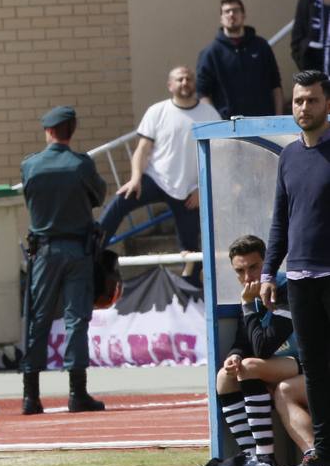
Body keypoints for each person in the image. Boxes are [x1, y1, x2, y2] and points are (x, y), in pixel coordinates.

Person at [261, 70, 330, 466]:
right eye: (299, 100)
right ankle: (323, 450)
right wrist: (269, 272)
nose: (304, 107)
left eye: (312, 100)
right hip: (301, 279)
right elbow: (280, 222)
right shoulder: (288, 156)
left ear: (327, 104)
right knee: (316, 368)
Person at [20, 107, 107, 415]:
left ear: (48, 131)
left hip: (43, 251)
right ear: (71, 130)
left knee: (38, 320)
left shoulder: (30, 165)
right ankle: (76, 392)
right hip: (77, 251)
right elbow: (99, 195)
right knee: (76, 320)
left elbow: (30, 200)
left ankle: (31, 396)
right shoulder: (81, 165)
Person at [98, 66, 221, 259]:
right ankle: (90, 253)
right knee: (119, 203)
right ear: (170, 85)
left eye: (188, 79)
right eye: (179, 79)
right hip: (156, 179)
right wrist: (136, 178)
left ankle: (191, 287)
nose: (185, 83)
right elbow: (142, 149)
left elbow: (218, 155)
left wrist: (201, 188)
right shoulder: (157, 111)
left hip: (189, 190)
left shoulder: (210, 114)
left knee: (190, 250)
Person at [217, 235, 298, 466]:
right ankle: (250, 456)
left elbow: (264, 348)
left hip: (305, 363)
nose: (247, 277)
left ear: (267, 265)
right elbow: (243, 342)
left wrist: (246, 305)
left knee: (251, 366)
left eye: (254, 267)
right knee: (224, 376)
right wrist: (234, 356)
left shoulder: (285, 288)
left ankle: (266, 458)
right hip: (274, 365)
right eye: (240, 271)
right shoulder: (251, 297)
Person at [196, 0, 283, 119]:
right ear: (221, 18)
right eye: (227, 11)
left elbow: (276, 85)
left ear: (243, 15)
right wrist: (216, 121)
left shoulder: (261, 46)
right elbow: (202, 93)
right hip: (229, 127)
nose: (231, 14)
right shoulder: (210, 53)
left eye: (236, 10)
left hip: (264, 123)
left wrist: (278, 118)